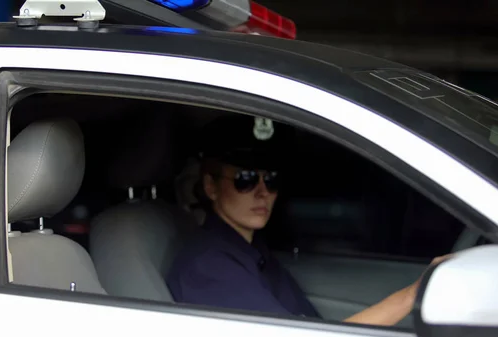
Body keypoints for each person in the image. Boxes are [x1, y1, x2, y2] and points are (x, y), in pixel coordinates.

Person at [166, 115, 451, 326]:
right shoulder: (210, 267)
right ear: (211, 187)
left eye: (272, 179)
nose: (263, 192)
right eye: (246, 179)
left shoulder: (248, 250)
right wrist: (410, 296)